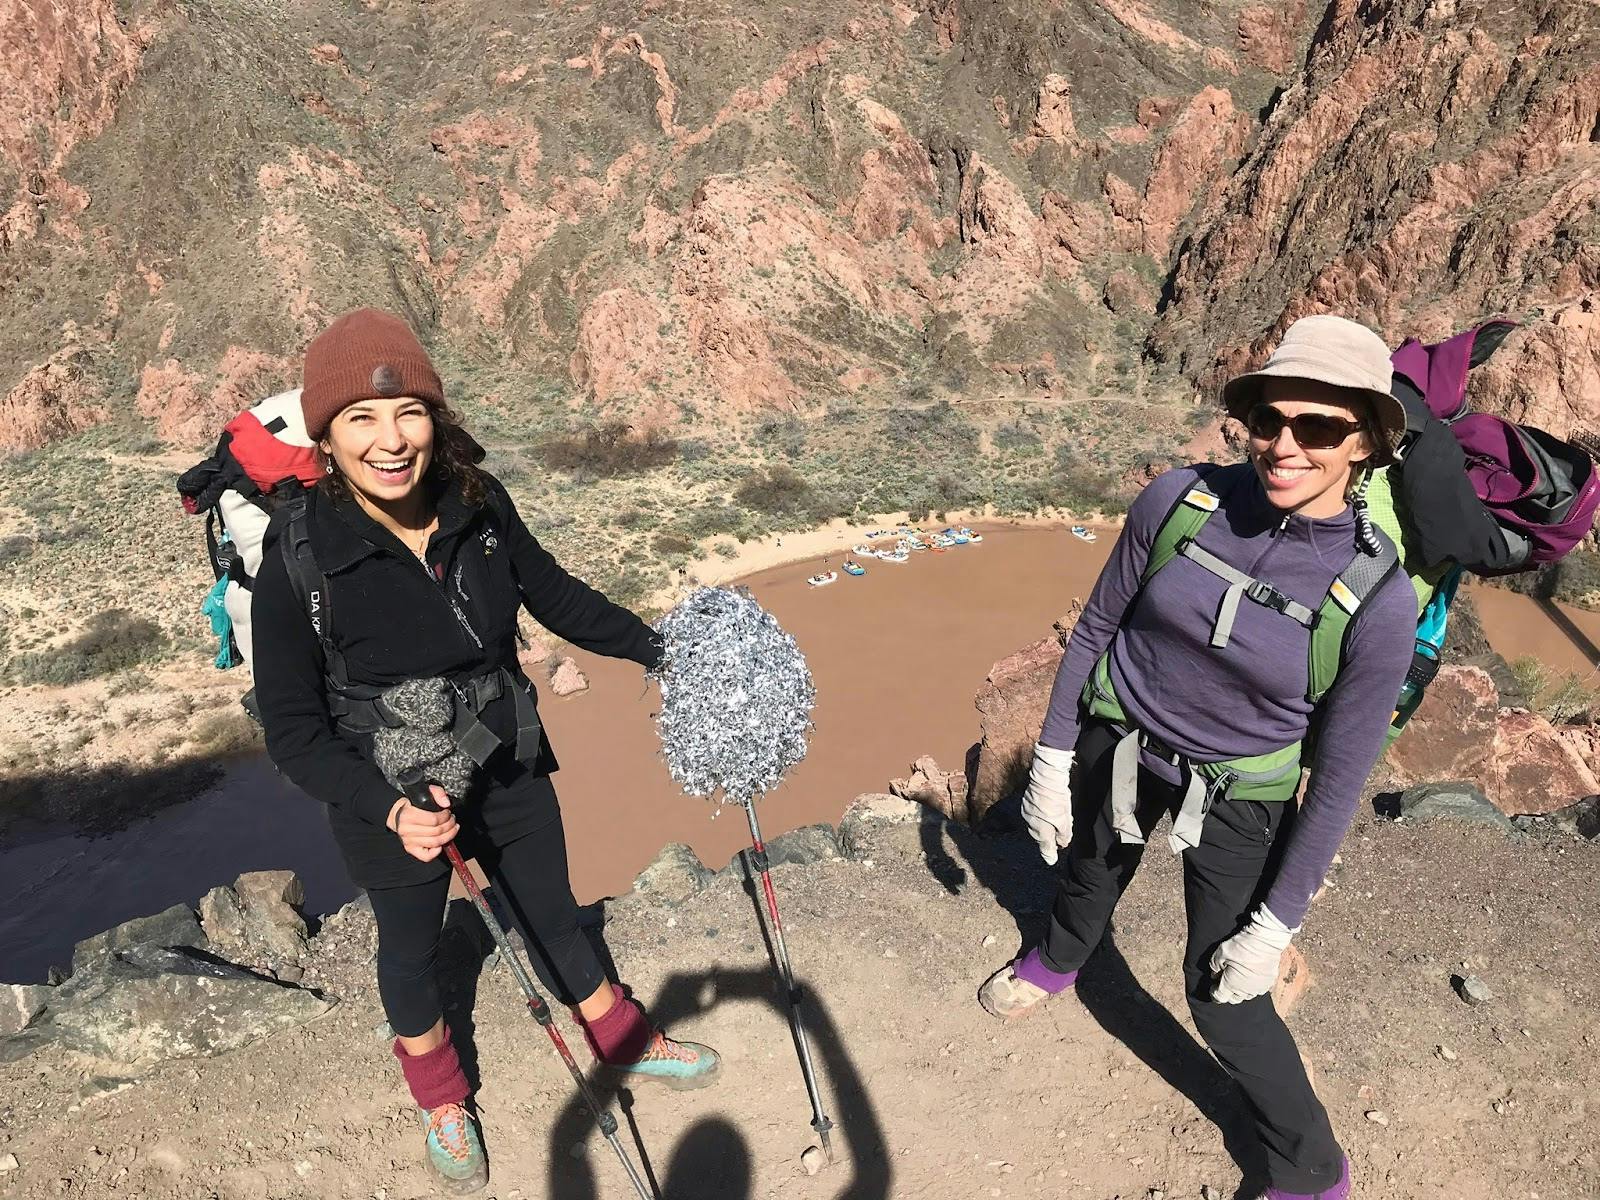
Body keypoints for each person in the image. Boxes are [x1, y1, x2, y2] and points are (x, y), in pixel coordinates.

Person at [252, 309, 719, 1195]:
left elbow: (555, 595)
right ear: (326, 434)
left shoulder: (477, 504)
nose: (390, 442)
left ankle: (617, 1035)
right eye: (360, 418)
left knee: (549, 899)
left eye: (408, 414)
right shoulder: (302, 560)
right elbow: (293, 730)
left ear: (434, 417)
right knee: (410, 942)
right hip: (388, 783)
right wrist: (389, 807)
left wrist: (663, 650)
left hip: (503, 746)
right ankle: (440, 1096)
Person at [977, 315, 1416, 1200]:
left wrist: (1278, 924)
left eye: (1320, 428)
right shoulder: (1179, 504)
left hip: (1238, 796)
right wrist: (1057, 754)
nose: (1285, 446)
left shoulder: (1380, 603)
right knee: (1091, 867)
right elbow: (1098, 625)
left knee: (1224, 991)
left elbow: (1335, 782)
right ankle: (1059, 959)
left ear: (1364, 441)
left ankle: (1311, 1165)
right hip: (1121, 740)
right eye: (1270, 420)